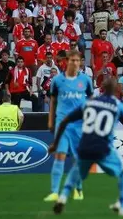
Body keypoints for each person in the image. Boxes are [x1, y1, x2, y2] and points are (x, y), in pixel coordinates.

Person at [48, 78, 123, 217]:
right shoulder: (118, 105)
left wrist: (56, 144)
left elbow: (64, 122)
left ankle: (62, 197)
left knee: (75, 171)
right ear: (117, 89)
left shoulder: (88, 103)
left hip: (84, 147)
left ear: (101, 88)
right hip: (104, 148)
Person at [44, 50, 94, 202]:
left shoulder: (86, 80)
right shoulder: (57, 80)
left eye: (77, 60)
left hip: (79, 124)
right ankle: (54, 191)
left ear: (80, 62)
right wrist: (50, 120)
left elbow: (91, 101)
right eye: (72, 60)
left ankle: (78, 189)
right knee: (60, 155)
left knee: (77, 159)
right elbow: (52, 101)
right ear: (67, 61)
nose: (75, 63)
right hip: (62, 123)